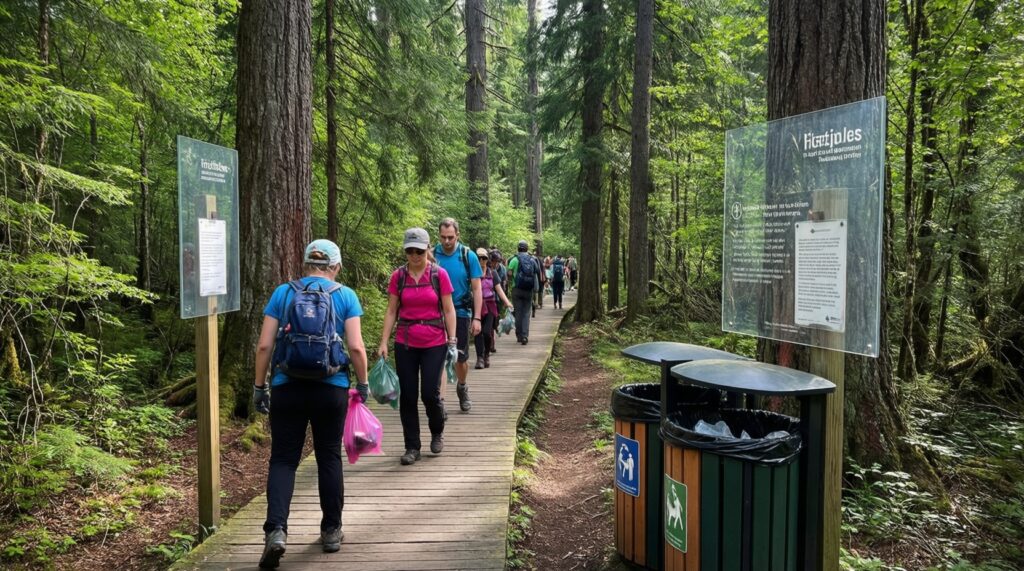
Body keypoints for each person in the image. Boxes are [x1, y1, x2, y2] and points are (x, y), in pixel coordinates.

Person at [252, 239, 368, 569]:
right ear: (336, 266)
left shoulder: (283, 293)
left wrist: (259, 388)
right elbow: (357, 348)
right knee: (329, 455)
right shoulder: (345, 295)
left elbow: (264, 346)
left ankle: (276, 530)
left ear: (306, 264)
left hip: (287, 387)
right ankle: (331, 530)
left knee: (284, 459)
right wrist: (362, 384)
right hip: (331, 388)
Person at [378, 228, 458, 466]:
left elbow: (448, 309)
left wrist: (452, 340)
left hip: (434, 341)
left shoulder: (439, 275)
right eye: (410, 251)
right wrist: (383, 341)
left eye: (419, 251)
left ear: (427, 250)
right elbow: (392, 310)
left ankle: (436, 430)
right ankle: (412, 446)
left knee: (429, 394)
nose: (414, 255)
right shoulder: (398, 277)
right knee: (408, 395)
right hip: (405, 342)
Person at [432, 218, 483, 413]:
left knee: (460, 359)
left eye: (450, 237)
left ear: (458, 236)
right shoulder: (432, 255)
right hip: (435, 312)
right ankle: (440, 402)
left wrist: (477, 317)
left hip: (460, 311)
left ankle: (462, 386)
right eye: (443, 237)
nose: (446, 241)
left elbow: (477, 288)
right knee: (438, 357)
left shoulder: (467, 255)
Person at [474, 247, 513, 369]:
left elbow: (499, 289)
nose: (481, 261)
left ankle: (486, 355)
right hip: (476, 306)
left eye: (484, 258)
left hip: (490, 306)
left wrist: (507, 302)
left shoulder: (493, 273)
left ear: (487, 259)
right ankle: (479, 358)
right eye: (479, 258)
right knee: (477, 332)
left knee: (486, 332)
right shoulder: (472, 273)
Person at [507, 240, 539, 344]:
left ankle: (519, 335)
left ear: (518, 248)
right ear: (527, 249)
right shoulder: (532, 259)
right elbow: (536, 271)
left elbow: (509, 273)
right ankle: (525, 336)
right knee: (526, 313)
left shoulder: (514, 259)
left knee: (518, 312)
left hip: (516, 289)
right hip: (528, 290)